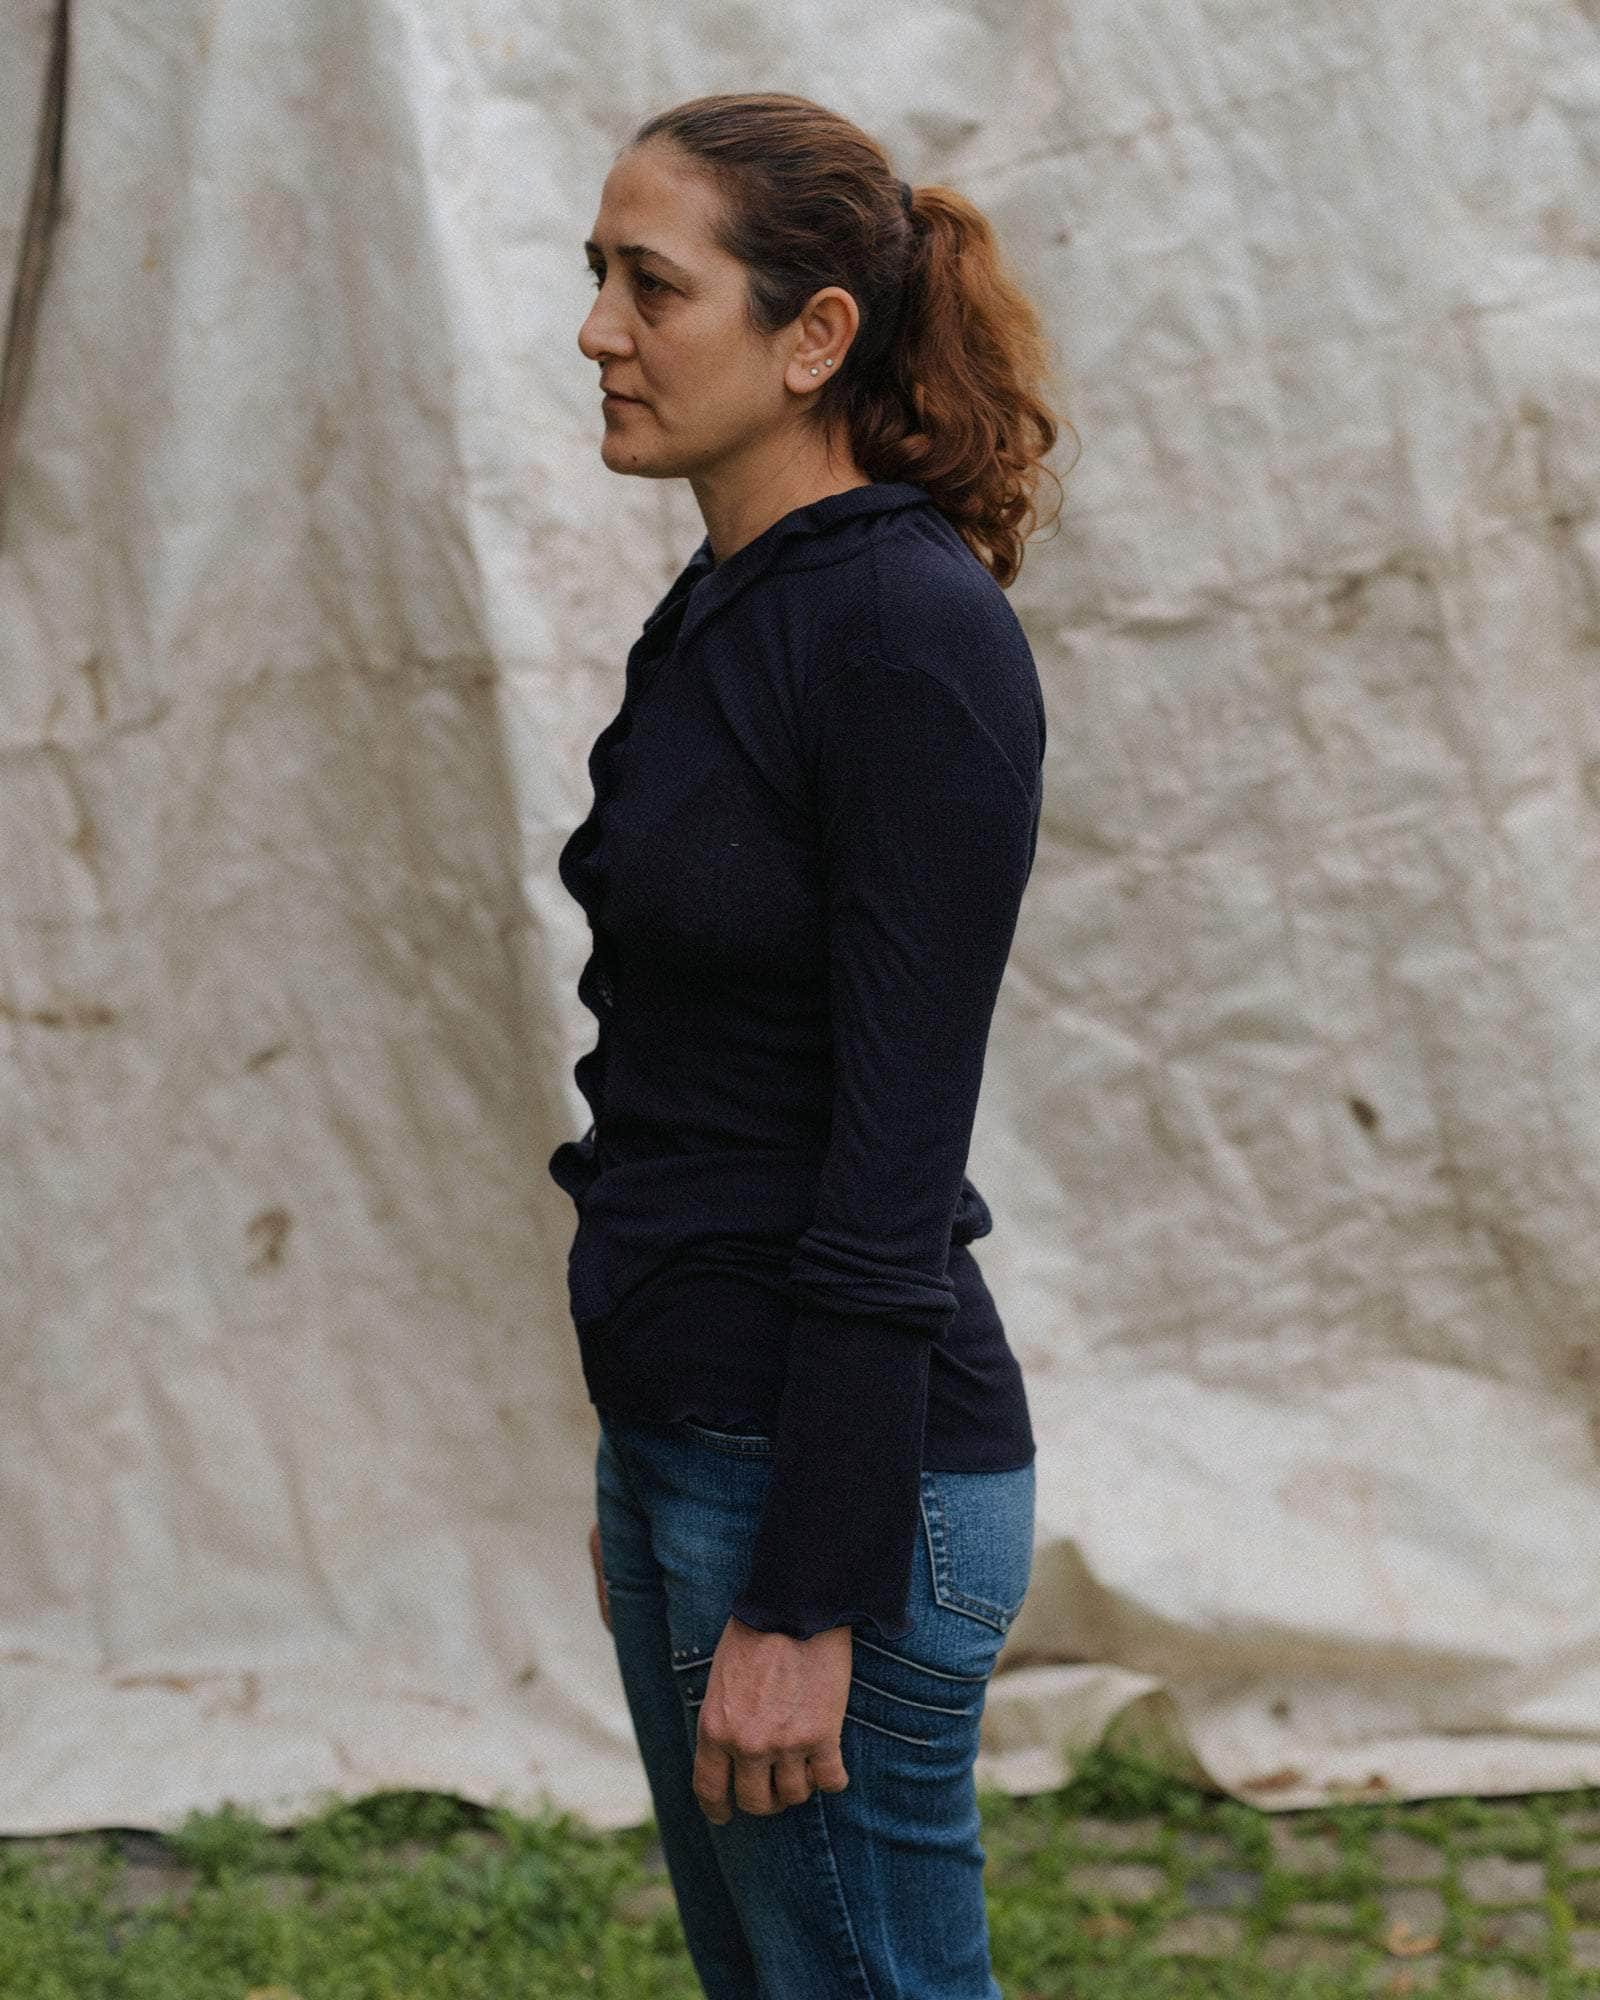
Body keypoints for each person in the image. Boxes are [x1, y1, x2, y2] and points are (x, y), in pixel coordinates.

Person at [555, 89, 1072, 2000]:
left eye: (651, 285)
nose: (597, 330)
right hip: (697, 1436)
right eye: (596, 277)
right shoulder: (733, 602)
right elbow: (683, 1069)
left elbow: (891, 1153)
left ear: (815, 335)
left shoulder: (906, 637)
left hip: (829, 1484)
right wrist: (645, 1456)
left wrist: (802, 1589)